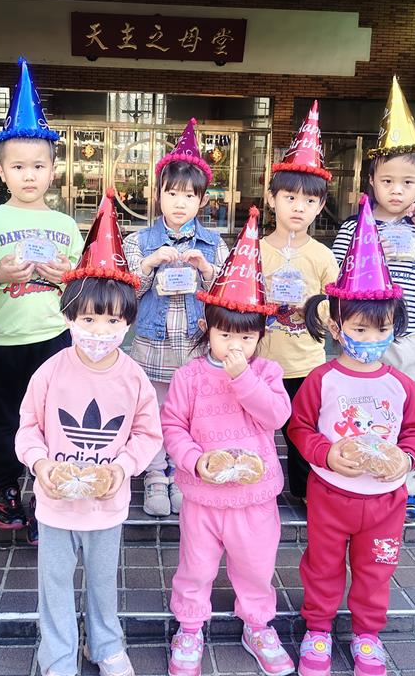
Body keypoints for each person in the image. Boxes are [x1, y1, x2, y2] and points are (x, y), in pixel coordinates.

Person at [15, 192, 162, 676]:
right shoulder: (51, 371)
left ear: (128, 322)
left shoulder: (133, 377)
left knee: (102, 583)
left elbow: (148, 433)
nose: (100, 330)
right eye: (89, 319)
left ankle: (106, 646)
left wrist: (123, 468)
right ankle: (58, 656)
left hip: (106, 505)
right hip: (55, 505)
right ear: (69, 318)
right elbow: (28, 427)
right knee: (54, 585)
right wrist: (40, 463)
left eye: (112, 320)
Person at [289, 194, 415, 676]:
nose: (371, 340)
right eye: (360, 329)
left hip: (386, 501)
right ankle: (318, 628)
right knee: (322, 565)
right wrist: (326, 455)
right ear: (336, 326)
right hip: (331, 495)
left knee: (377, 569)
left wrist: (406, 459)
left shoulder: (403, 386)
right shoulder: (321, 379)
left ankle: (368, 634)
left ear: (395, 328)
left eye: (381, 330)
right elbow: (299, 427)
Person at [163, 206, 294, 676]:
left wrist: (244, 378)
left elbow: (277, 416)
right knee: (196, 567)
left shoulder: (267, 373)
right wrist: (194, 461)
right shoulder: (190, 376)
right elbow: (172, 426)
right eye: (224, 335)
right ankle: (190, 626)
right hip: (203, 497)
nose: (235, 346)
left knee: (256, 567)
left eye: (246, 338)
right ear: (208, 329)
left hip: (255, 498)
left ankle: (257, 625)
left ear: (260, 336)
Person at [332, 77, 415, 523]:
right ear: (371, 179)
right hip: (360, 335)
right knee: (360, 405)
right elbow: (337, 279)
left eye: (407, 181)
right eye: (387, 180)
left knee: (409, 406)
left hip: (409, 338)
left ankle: (406, 482)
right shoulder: (354, 228)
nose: (396, 190)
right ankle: (357, 473)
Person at [0, 58, 83, 544]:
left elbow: (84, 281)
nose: (29, 175)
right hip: (3, 342)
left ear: (53, 170)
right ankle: (5, 488)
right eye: (18, 167)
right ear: (0, 171)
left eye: (38, 166)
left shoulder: (65, 225)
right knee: (4, 420)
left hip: (55, 340)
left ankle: (45, 494)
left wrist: (67, 277)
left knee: (53, 420)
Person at [122, 118, 229, 518]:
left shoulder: (214, 244)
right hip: (153, 346)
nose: (180, 202)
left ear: (202, 199)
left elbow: (227, 299)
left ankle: (183, 474)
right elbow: (126, 296)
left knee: (191, 415)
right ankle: (154, 475)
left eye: (189, 195)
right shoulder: (138, 241)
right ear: (158, 195)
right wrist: (149, 264)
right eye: (172, 193)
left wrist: (207, 270)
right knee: (153, 411)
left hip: (197, 348)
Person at [257, 101, 339, 501]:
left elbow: (335, 303)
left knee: (302, 429)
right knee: (256, 429)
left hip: (305, 363)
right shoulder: (255, 250)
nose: (298, 207)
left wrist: (311, 306)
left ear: (320, 207)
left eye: (309, 201)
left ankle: (304, 493)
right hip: (259, 360)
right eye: (290, 197)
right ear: (272, 198)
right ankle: (257, 485)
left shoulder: (322, 255)